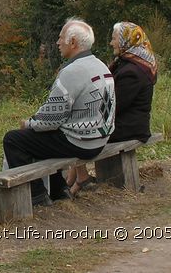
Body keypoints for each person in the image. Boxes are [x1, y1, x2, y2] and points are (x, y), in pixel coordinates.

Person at [3, 18, 116, 206]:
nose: (57, 42)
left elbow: (50, 120)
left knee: (14, 139)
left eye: (61, 38)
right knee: (46, 139)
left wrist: (28, 123)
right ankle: (59, 190)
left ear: (73, 43)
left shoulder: (72, 71)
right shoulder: (100, 65)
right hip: (99, 138)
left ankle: (37, 196)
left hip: (82, 143)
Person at [66, 21, 157, 195]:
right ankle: (75, 178)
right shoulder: (129, 64)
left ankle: (79, 179)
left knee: (76, 132)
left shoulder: (133, 71)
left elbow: (114, 105)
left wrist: (86, 114)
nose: (111, 42)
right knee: (76, 127)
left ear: (126, 41)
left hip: (129, 127)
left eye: (114, 38)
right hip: (125, 122)